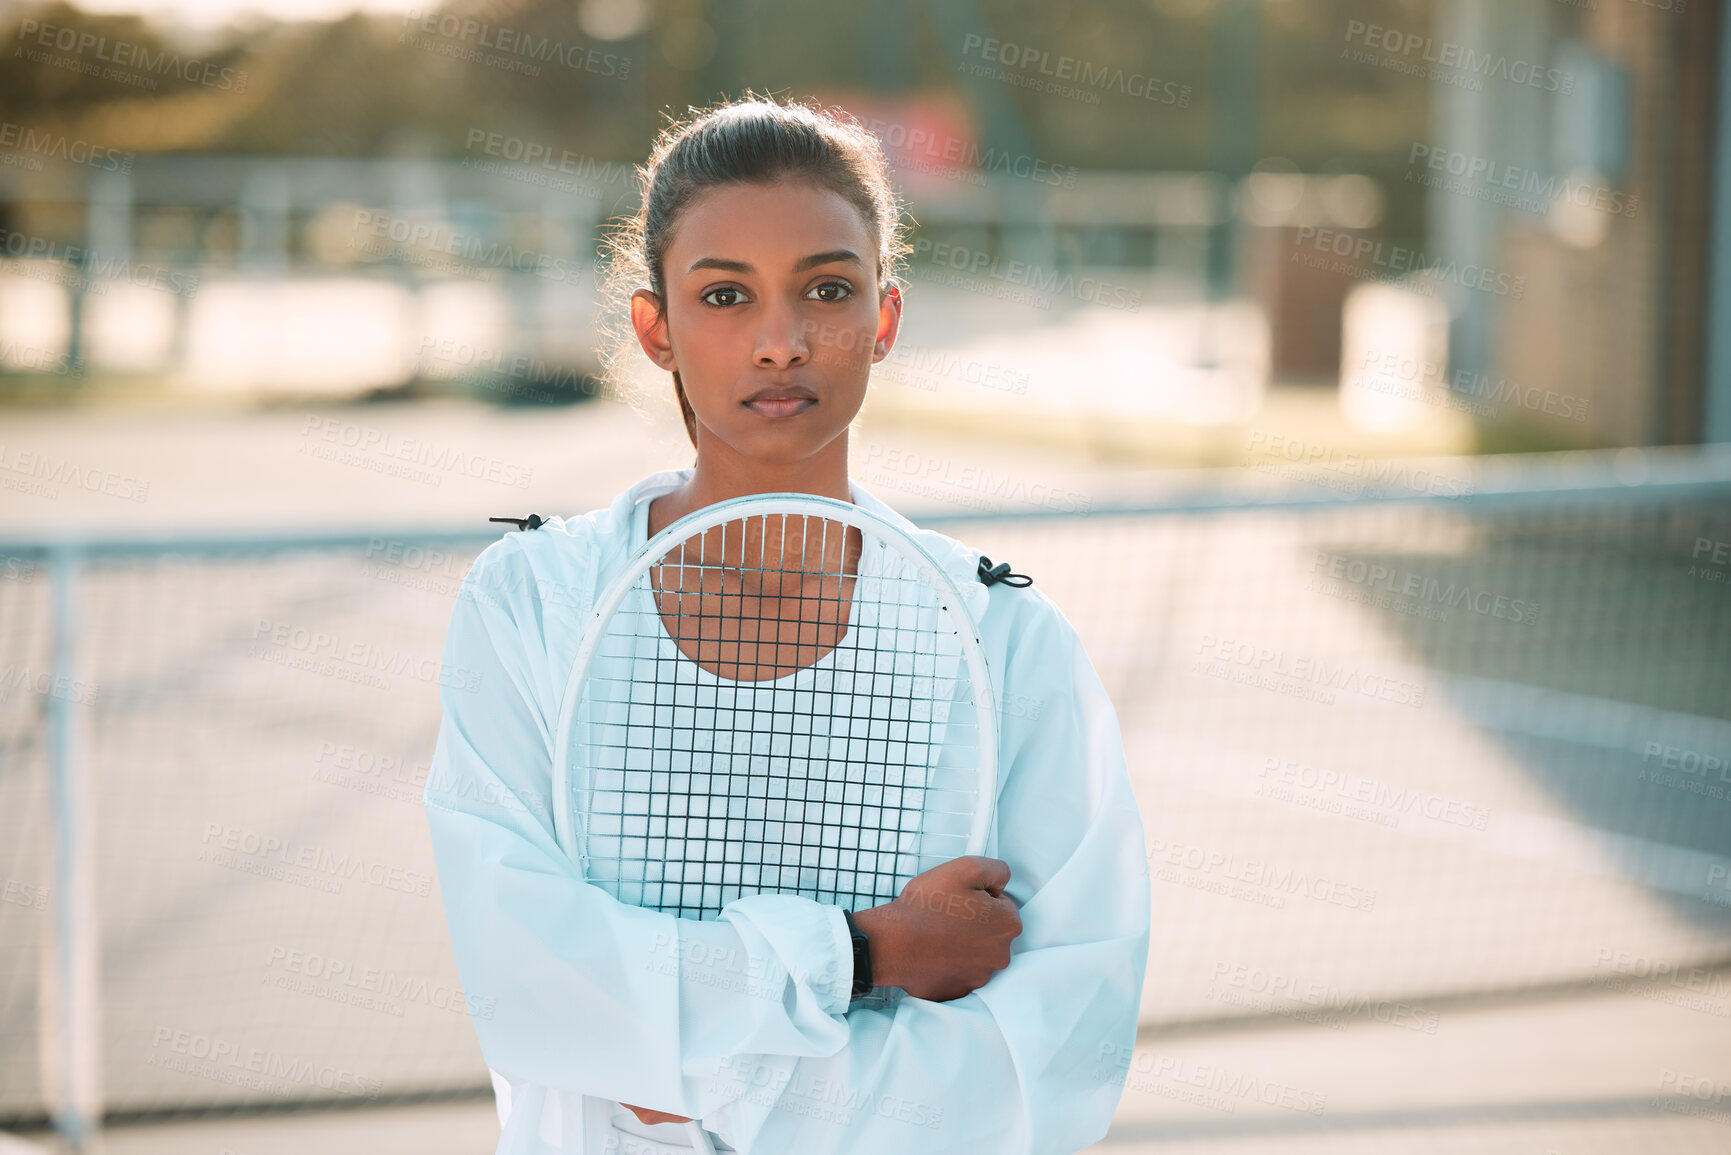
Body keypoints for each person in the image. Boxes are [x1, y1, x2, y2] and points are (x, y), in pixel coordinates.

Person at [424, 93, 1150, 1154]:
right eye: (725, 295)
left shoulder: (1005, 640)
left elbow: (1059, 1052)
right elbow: (528, 977)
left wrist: (697, 1078)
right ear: (655, 329)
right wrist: (863, 957)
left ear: (885, 320)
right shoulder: (533, 602)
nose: (781, 341)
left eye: (827, 289)